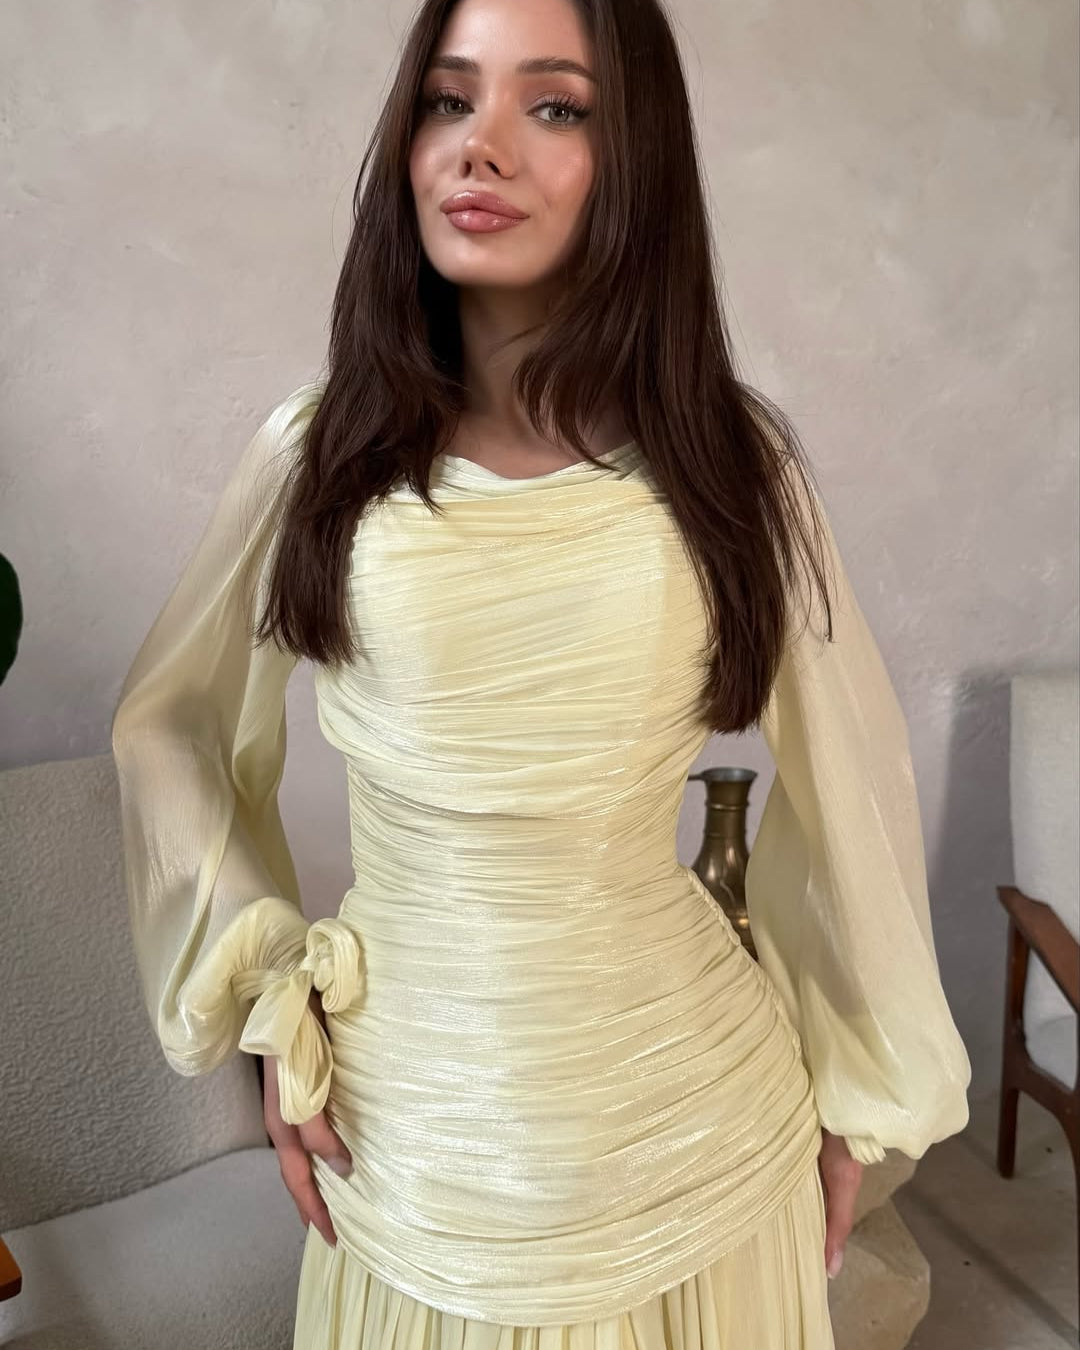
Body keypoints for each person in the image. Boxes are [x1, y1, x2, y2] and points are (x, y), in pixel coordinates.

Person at [110, 0, 972, 1345]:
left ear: (636, 157)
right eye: (448, 100)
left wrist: (862, 1091)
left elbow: (850, 777)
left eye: (554, 105)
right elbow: (167, 726)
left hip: (705, 1144)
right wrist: (268, 987)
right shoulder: (316, 456)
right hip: (414, 1156)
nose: (483, 145)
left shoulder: (731, 466)